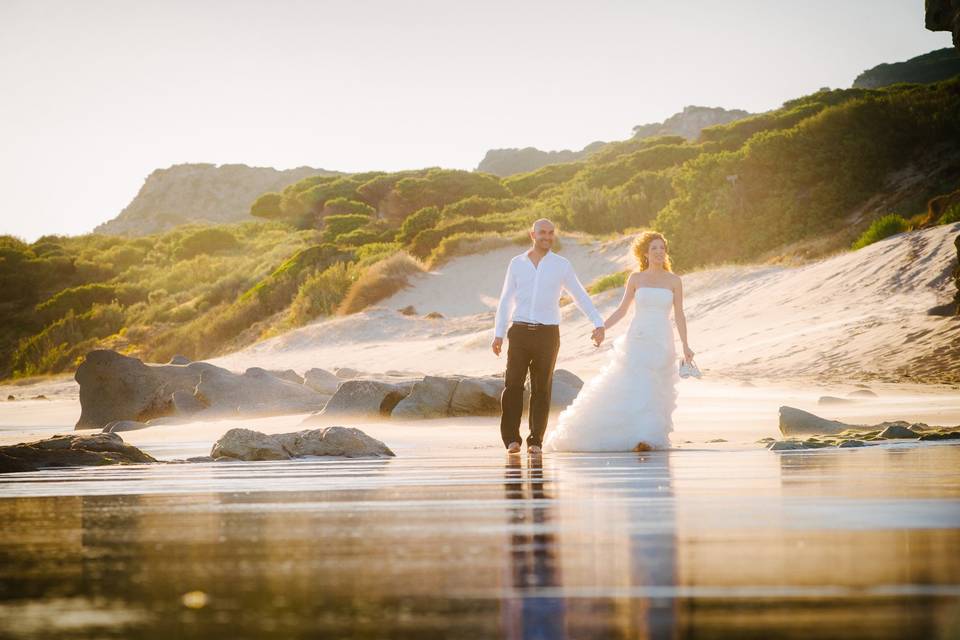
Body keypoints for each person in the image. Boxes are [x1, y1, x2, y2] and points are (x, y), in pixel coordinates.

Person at [543, 231, 694, 452]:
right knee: (636, 384)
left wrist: (686, 345)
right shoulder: (636, 279)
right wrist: (602, 327)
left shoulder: (674, 281)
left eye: (662, 248)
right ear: (645, 253)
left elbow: (679, 314)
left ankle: (649, 436)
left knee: (656, 388)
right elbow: (622, 310)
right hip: (638, 337)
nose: (659, 252)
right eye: (654, 248)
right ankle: (635, 435)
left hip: (662, 339)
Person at [492, 218, 606, 455]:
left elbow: (579, 295)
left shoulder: (561, 265)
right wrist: (499, 333)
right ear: (532, 235)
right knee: (512, 386)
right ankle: (512, 439)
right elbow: (506, 300)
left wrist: (597, 322)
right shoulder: (517, 263)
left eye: (551, 233)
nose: (547, 236)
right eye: (542, 232)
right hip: (520, 331)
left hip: (548, 334)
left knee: (541, 388)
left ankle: (535, 440)